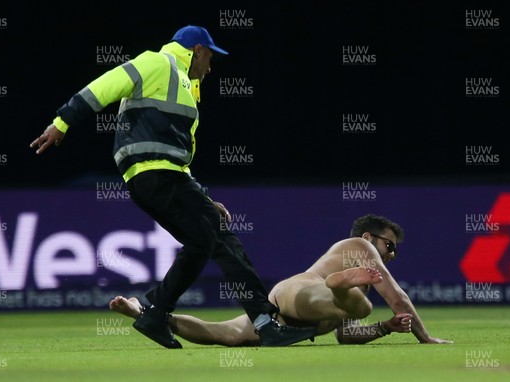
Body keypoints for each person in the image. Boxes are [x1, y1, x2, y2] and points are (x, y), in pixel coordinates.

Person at [29, 25, 316, 349]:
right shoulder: (158, 63)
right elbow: (103, 87)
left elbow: (179, 159)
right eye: (209, 58)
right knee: (218, 240)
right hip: (154, 175)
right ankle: (263, 324)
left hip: (162, 176)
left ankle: (157, 313)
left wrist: (204, 197)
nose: (210, 67)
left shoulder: (185, 87)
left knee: (205, 242)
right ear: (196, 51)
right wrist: (62, 122)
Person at [109, 214, 453, 346]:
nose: (390, 253)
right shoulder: (359, 246)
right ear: (369, 237)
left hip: (287, 311)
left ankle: (146, 314)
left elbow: (345, 336)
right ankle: (337, 283)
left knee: (223, 335)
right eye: (388, 245)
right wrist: (425, 338)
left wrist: (385, 329)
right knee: (361, 305)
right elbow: (397, 297)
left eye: (394, 250)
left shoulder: (360, 276)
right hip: (304, 290)